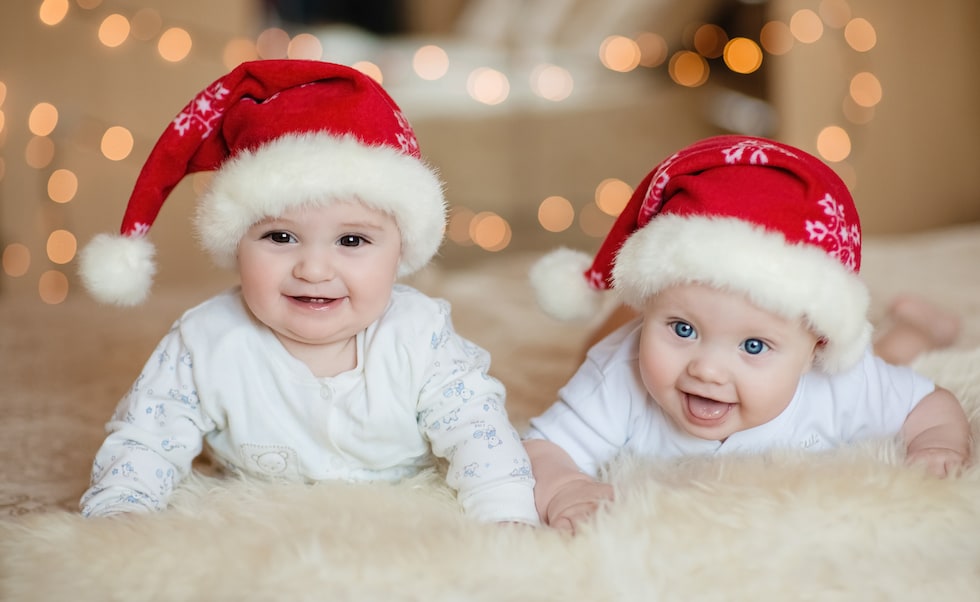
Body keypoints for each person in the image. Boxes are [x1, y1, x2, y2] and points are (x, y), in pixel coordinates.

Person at [76, 60, 538, 525]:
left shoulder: (420, 334)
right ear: (235, 245)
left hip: (397, 510)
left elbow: (477, 429)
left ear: (400, 254)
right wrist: (123, 508)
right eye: (280, 237)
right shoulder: (207, 340)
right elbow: (147, 437)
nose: (314, 269)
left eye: (352, 241)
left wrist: (505, 516)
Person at [523, 135, 971, 533]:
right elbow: (543, 448)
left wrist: (936, 445)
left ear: (817, 345)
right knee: (592, 353)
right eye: (682, 329)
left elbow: (929, 407)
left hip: (832, 363)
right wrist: (566, 486)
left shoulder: (842, 382)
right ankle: (632, 311)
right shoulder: (618, 377)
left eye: (753, 345)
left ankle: (920, 328)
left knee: (889, 359)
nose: (708, 369)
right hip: (628, 336)